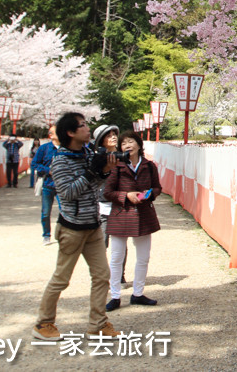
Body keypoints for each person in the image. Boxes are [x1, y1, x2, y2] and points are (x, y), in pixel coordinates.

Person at [33, 112, 120, 341]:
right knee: (62, 278)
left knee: (102, 275)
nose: (87, 129)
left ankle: (98, 325)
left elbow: (96, 186)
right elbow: (68, 193)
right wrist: (91, 173)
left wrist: (103, 172)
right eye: (82, 126)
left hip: (92, 225)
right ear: (70, 133)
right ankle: (43, 323)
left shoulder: (89, 153)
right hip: (72, 228)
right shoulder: (60, 160)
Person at [103, 131, 161, 312]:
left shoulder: (149, 166)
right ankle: (115, 295)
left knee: (143, 257)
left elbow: (157, 187)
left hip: (144, 214)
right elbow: (107, 192)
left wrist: (148, 195)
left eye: (131, 142)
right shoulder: (116, 167)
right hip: (121, 214)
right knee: (116, 257)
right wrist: (126, 195)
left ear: (138, 144)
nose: (127, 145)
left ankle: (138, 293)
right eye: (124, 143)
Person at [31, 128, 61, 245]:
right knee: (45, 212)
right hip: (48, 184)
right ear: (50, 135)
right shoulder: (44, 148)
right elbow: (34, 163)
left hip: (62, 185)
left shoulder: (66, 148)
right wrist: (48, 170)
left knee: (64, 210)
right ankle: (46, 235)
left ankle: (60, 233)